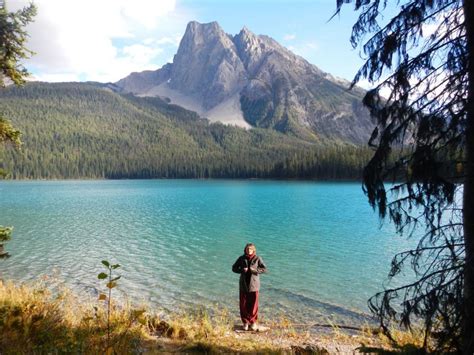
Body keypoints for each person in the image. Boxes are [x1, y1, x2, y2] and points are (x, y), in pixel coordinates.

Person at [232, 243, 267, 331]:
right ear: (245, 250)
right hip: (243, 285)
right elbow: (234, 268)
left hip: (254, 286)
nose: (249, 251)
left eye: (250, 249)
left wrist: (255, 270)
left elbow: (264, 269)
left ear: (253, 250)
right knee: (243, 305)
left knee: (254, 305)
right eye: (247, 249)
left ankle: (253, 322)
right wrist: (241, 270)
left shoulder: (257, 258)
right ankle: (245, 323)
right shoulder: (241, 258)